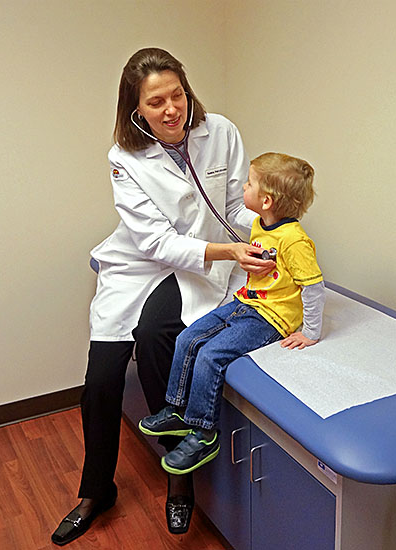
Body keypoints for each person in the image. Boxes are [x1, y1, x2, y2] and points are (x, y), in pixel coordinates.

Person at [51, 48, 276, 546]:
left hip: (200, 262)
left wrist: (269, 233)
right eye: (157, 102)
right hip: (143, 261)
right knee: (102, 379)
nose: (172, 109)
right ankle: (95, 492)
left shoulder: (221, 131)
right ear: (136, 110)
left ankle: (179, 479)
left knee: (159, 340)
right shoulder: (124, 158)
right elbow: (156, 242)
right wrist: (230, 250)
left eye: (178, 95)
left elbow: (238, 202)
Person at [139, 152, 325, 475]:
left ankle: (204, 433)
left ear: (266, 200)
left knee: (211, 355)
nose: (243, 187)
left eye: (249, 184)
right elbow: (240, 234)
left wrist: (311, 331)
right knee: (187, 337)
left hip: (272, 317)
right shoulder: (260, 224)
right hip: (247, 302)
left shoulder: (295, 241)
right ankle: (178, 410)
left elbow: (314, 287)